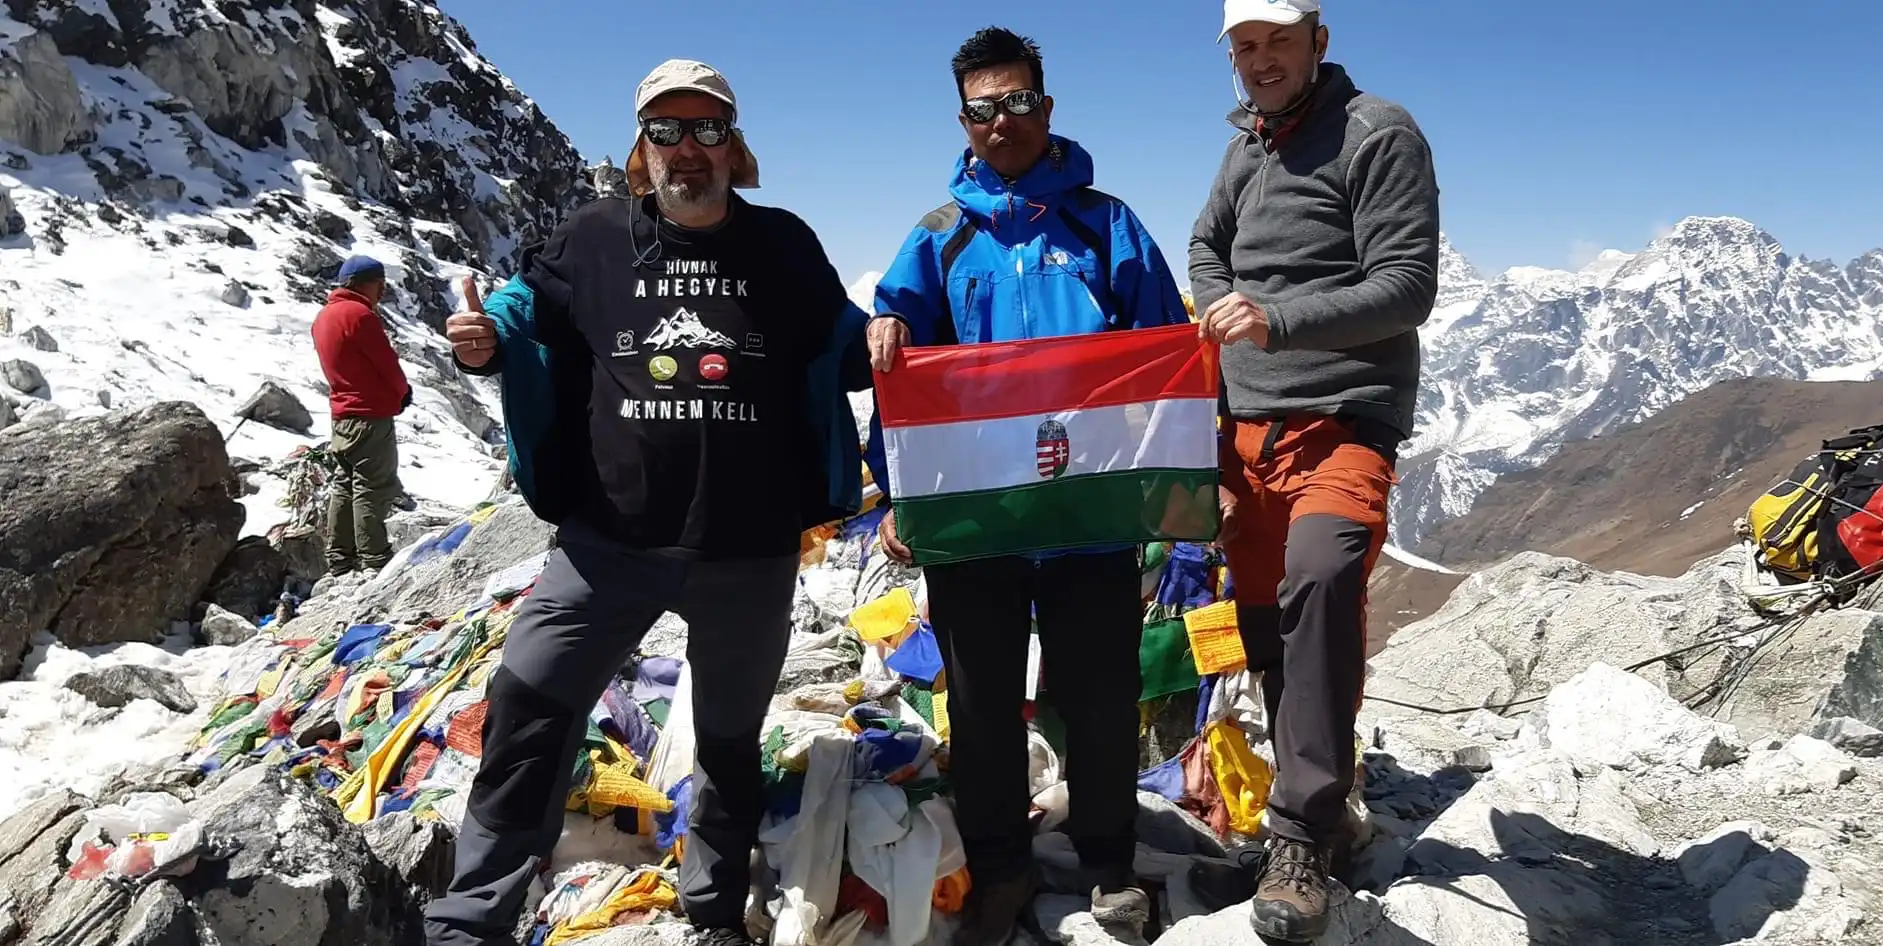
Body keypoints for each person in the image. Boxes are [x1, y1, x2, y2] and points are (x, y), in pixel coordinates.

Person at [421, 59, 872, 946]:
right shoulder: (591, 237)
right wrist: (481, 343)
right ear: (641, 148)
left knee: (731, 740)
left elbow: (849, 347)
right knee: (528, 703)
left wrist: (894, 331)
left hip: (748, 550)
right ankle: (471, 921)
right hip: (606, 546)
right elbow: (520, 313)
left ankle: (711, 906)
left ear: (734, 145)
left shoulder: (783, 244)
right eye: (665, 131)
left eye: (706, 129)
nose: (686, 149)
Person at [862, 26, 1191, 943]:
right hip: (979, 513)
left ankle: (1108, 860)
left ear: (1046, 109)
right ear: (962, 120)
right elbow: (901, 373)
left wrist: (1168, 483)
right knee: (981, 698)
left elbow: (1162, 359)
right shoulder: (937, 237)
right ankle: (1000, 865)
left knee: (1100, 690)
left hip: (1089, 506)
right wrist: (896, 493)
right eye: (981, 108)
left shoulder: (1107, 223)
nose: (1000, 121)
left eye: (1016, 102)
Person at [1187, 0, 1441, 940]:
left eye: (1277, 42)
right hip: (1244, 424)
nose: (1260, 60)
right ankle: (1319, 780)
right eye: (1244, 47)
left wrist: (1273, 320)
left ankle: (1302, 839)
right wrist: (1223, 302)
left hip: (1345, 417)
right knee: (1265, 623)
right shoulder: (1245, 147)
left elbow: (1407, 285)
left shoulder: (1379, 134)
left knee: (1326, 577)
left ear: (1317, 42)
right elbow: (1206, 246)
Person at [310, 254, 412, 576]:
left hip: (342, 415)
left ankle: (339, 559)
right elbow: (386, 363)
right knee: (373, 486)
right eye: (378, 284)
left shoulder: (323, 317)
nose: (381, 292)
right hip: (369, 415)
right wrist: (402, 393)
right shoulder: (360, 316)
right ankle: (375, 559)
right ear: (362, 284)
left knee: (344, 482)